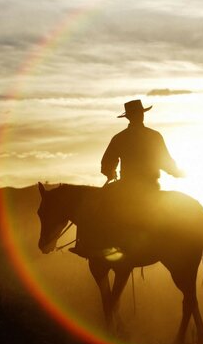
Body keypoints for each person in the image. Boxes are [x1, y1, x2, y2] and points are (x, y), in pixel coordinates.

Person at [70, 99, 184, 258]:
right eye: (139, 114)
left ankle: (87, 244)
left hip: (127, 187)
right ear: (139, 116)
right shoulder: (154, 136)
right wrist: (178, 172)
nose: (140, 116)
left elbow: (106, 162)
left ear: (128, 117)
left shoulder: (120, 137)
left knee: (94, 205)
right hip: (151, 186)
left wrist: (110, 172)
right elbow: (165, 161)